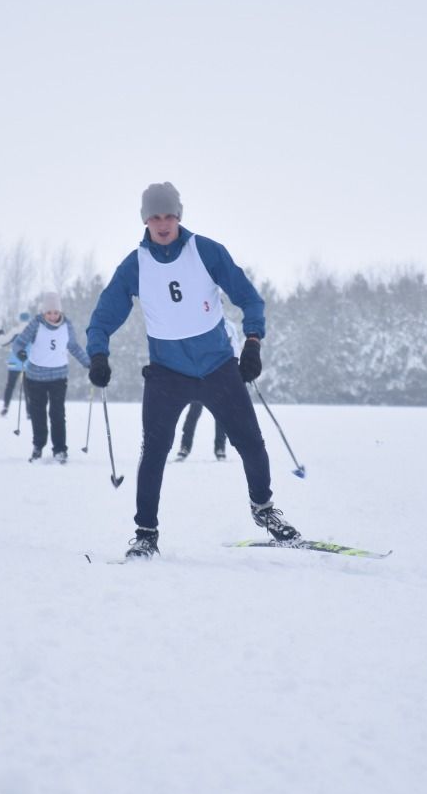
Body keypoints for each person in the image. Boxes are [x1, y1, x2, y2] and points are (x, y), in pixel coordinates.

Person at [85, 182, 301, 559]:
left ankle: (264, 509)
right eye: (155, 216)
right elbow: (103, 317)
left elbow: (250, 298)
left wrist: (252, 341)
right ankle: (146, 534)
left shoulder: (206, 251)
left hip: (218, 367)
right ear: (145, 219)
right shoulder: (135, 265)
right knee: (153, 452)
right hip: (167, 374)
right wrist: (98, 354)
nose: (163, 223)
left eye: (169, 215)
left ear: (179, 215)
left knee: (251, 442)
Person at [12, 291, 90, 463]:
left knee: (57, 414)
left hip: (58, 377)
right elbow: (19, 343)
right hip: (35, 377)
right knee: (37, 413)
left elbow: (74, 347)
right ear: (43, 312)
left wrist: (88, 363)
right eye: (49, 312)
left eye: (55, 312)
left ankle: (60, 450)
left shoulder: (67, 326)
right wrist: (21, 353)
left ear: (60, 312)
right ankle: (38, 446)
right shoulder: (36, 324)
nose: (52, 316)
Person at [175, 319, 241, 460]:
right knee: (193, 413)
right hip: (200, 375)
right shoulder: (199, 322)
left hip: (220, 375)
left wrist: (238, 368)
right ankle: (184, 447)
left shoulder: (229, 326)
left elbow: (235, 347)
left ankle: (220, 449)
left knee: (221, 414)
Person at [0, 311, 31, 416]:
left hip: (14, 363)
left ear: (20, 320)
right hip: (28, 363)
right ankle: (29, 412)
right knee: (28, 388)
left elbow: (2, 342)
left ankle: (5, 407)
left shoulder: (15, 331)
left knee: (10, 385)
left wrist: (0, 333)